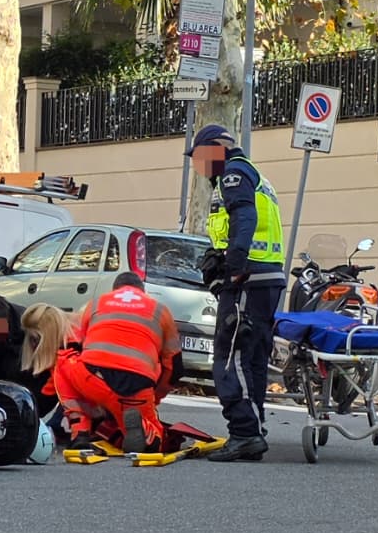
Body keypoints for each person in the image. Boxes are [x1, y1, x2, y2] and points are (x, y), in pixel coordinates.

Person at [189, 124, 284, 462]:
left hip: (248, 277)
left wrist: (234, 264)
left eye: (200, 157)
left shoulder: (233, 173)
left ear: (217, 149)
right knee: (253, 357)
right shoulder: (254, 174)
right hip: (267, 277)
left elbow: (244, 217)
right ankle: (254, 428)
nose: (198, 167)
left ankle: (244, 432)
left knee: (231, 355)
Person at [22, 273, 183, 453]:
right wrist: (154, 398)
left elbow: (79, 352)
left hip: (95, 378)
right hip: (139, 386)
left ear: (115, 290)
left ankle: (80, 431)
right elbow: (174, 367)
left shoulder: (97, 304)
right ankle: (149, 435)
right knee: (149, 431)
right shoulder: (161, 310)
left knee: (64, 361)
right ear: (143, 292)